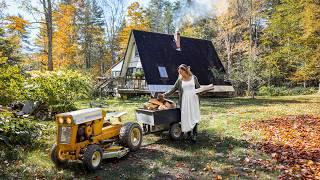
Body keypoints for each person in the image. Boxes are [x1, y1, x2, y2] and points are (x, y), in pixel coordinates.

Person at [158, 64, 200, 142]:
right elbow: (173, 89)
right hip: (184, 101)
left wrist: (201, 92)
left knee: (193, 116)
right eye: (179, 72)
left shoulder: (194, 78)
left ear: (186, 70)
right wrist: (164, 95)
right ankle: (187, 133)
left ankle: (194, 134)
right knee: (186, 117)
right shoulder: (180, 80)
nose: (180, 74)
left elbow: (198, 88)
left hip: (194, 99)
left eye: (182, 72)